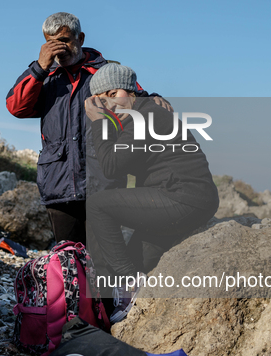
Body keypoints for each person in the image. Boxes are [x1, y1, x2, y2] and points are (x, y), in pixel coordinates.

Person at [6, 12, 171, 245]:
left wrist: (152, 98)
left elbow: (137, 102)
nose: (58, 49)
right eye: (50, 42)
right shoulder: (45, 77)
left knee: (103, 260)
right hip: (59, 184)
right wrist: (40, 67)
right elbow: (16, 107)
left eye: (64, 40)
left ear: (80, 38)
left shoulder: (107, 72)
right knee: (69, 260)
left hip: (103, 183)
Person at [85, 64, 220, 323]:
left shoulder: (146, 117)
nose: (110, 104)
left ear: (131, 91)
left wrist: (99, 122)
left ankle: (128, 285)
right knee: (139, 259)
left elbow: (111, 167)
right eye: (102, 100)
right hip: (185, 199)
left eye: (113, 95)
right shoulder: (144, 113)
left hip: (183, 198)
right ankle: (130, 300)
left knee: (98, 205)